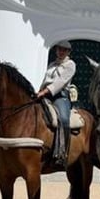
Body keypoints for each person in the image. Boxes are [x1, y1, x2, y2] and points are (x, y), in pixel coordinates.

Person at [36, 40, 76, 169]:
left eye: (64, 50)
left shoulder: (70, 65)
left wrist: (45, 92)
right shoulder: (52, 65)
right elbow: (45, 80)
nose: (61, 52)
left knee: (63, 119)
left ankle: (62, 152)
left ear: (68, 52)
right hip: (45, 94)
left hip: (60, 96)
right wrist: (39, 91)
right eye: (59, 49)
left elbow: (60, 82)